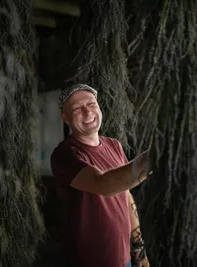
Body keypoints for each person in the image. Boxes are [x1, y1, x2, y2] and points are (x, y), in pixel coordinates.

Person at [50, 84, 151, 267]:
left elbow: (126, 196)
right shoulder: (65, 154)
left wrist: (138, 247)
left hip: (124, 259)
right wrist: (156, 155)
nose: (87, 112)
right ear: (65, 118)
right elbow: (103, 184)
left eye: (91, 104)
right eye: (77, 108)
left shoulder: (114, 145)